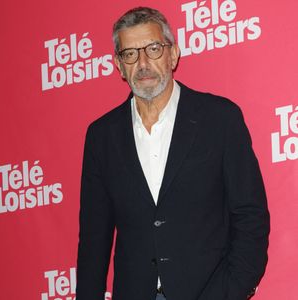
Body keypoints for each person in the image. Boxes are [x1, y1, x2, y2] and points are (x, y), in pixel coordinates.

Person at [76, 6, 270, 300]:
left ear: (173, 54)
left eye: (153, 49)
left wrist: (233, 290)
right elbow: (94, 238)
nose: (143, 63)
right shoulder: (102, 136)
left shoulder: (219, 119)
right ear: (118, 64)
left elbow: (250, 214)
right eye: (130, 53)